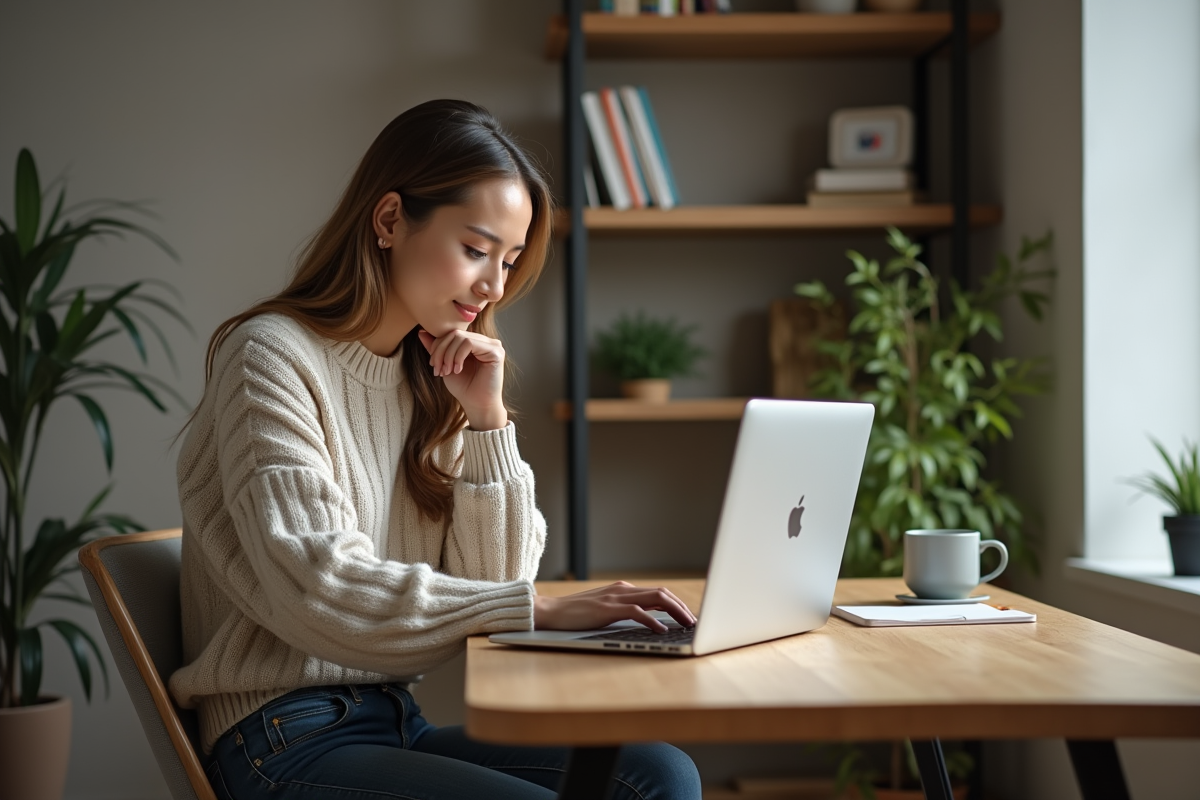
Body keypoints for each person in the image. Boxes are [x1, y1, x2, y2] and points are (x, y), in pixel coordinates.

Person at [168, 99, 702, 800]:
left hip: (392, 718)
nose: (495, 286)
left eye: (508, 261)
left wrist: (486, 422)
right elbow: (318, 586)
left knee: (659, 773)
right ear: (389, 220)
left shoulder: (430, 377)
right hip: (279, 738)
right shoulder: (271, 356)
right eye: (477, 250)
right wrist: (533, 608)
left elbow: (492, 579)